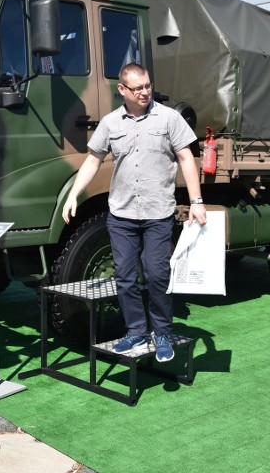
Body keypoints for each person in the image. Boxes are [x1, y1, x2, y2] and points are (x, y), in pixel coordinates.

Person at [61, 63, 207, 363]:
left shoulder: (170, 118)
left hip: (157, 214)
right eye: (137, 88)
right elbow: (92, 161)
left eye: (147, 86)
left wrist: (197, 200)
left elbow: (186, 158)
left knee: (156, 275)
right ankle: (137, 331)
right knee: (125, 278)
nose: (144, 92)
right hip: (122, 216)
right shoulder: (111, 124)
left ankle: (162, 332)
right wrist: (73, 195)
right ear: (122, 90)